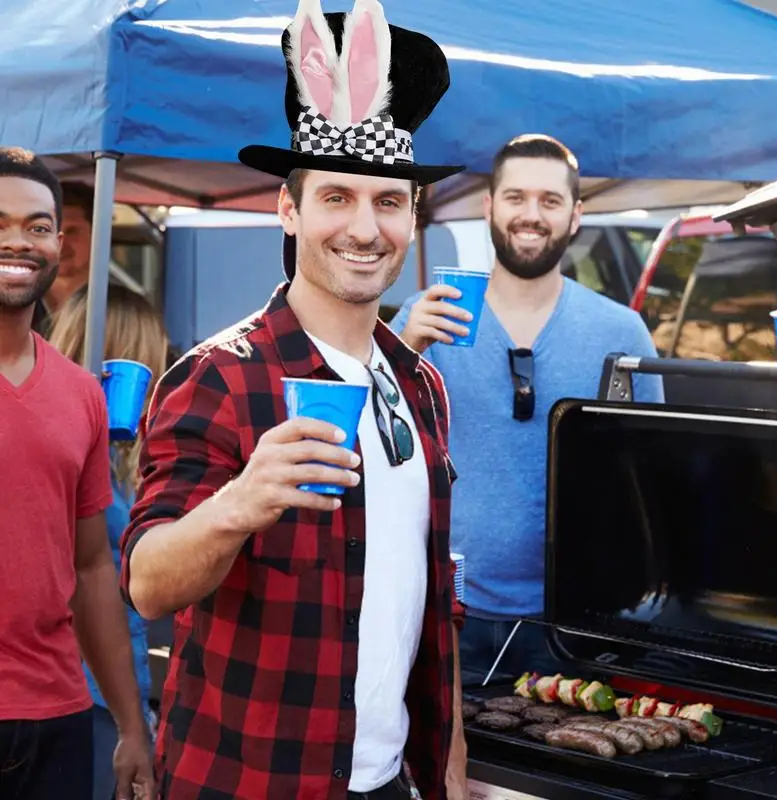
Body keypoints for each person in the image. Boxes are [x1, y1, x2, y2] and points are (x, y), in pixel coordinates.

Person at [119, 1, 467, 798]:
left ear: (413, 218)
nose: (365, 227)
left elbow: (424, 600)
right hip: (247, 779)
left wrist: (448, 769)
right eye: (336, 198)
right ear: (289, 209)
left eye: (388, 202)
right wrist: (240, 503)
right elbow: (146, 582)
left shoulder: (419, 383)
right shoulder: (219, 375)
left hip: (385, 783)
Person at [391, 134, 665, 680]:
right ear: (489, 206)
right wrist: (405, 354)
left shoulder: (620, 331)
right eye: (515, 197)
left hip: (579, 619)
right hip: (451, 610)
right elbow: (383, 451)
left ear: (575, 214)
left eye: (549, 200)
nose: (531, 215)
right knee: (450, 764)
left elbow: (653, 475)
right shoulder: (428, 321)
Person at [0, 147, 154, 799]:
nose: (19, 240)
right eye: (0, 222)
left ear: (61, 244)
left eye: (38, 225)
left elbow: (93, 569)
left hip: (58, 716)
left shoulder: (82, 395)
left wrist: (130, 726)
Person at [49, 283, 170, 800]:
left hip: (113, 687)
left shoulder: (129, 456)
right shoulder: (73, 449)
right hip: (87, 690)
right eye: (149, 364)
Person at [32, 181, 94, 335]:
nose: (60, 243)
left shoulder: (120, 310)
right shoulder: (13, 308)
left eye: (73, 231)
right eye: (48, 230)